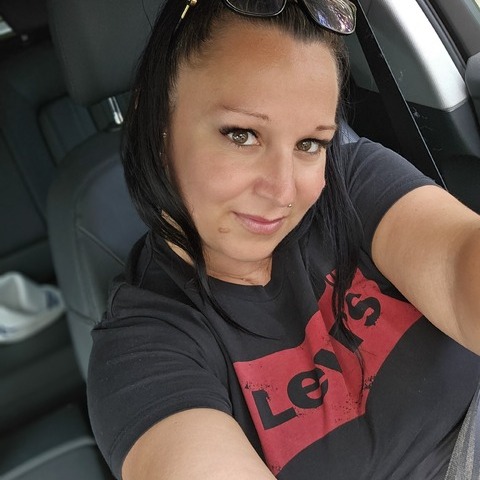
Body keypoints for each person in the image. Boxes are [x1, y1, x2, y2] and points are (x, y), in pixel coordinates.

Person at [87, 0, 480, 478]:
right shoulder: (141, 352)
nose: (284, 191)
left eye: (309, 144)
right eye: (242, 135)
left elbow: (458, 266)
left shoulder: (351, 179)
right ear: (157, 122)